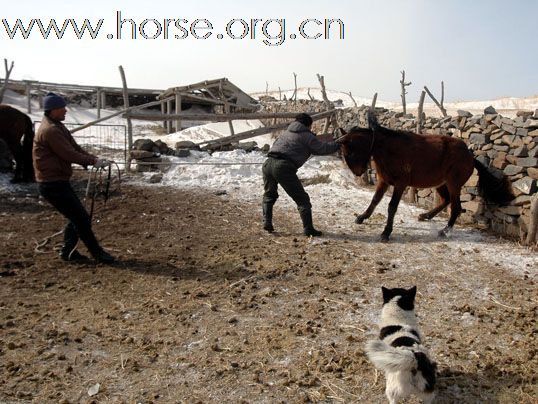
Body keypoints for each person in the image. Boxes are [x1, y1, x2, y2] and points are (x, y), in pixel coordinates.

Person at [33, 92, 115, 263]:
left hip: (57, 182)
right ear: (52, 110)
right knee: (81, 218)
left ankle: (68, 252)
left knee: (77, 216)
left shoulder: (57, 127)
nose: (65, 111)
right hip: (52, 184)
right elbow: (68, 154)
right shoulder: (51, 130)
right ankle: (97, 253)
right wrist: (93, 161)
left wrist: (95, 159)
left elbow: (75, 149)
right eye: (62, 108)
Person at [262, 113, 340, 236]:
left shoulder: (286, 133)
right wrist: (338, 144)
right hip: (283, 166)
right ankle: (308, 229)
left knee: (269, 194)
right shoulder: (307, 136)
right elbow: (321, 149)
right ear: (308, 125)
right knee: (302, 199)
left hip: (267, 164)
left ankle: (267, 222)